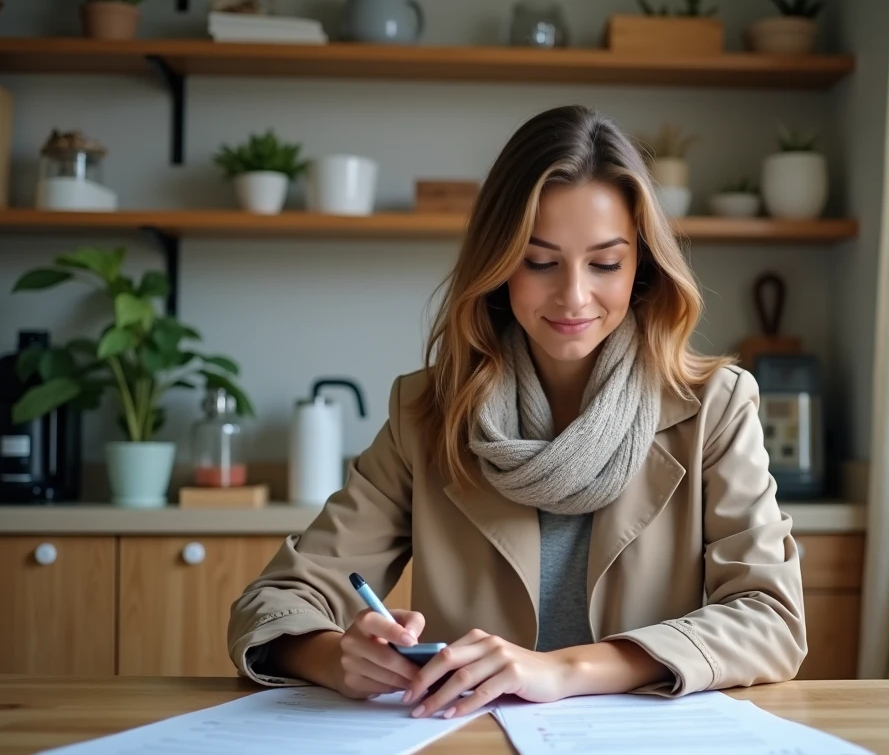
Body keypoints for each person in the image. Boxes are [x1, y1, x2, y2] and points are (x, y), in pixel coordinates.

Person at [228, 104, 806, 719]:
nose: (574, 296)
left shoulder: (714, 407)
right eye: (539, 261)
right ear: (500, 264)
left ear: (641, 266)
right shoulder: (426, 412)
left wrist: (564, 670)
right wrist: (332, 655)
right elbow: (277, 598)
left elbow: (769, 618)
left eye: (606, 263)